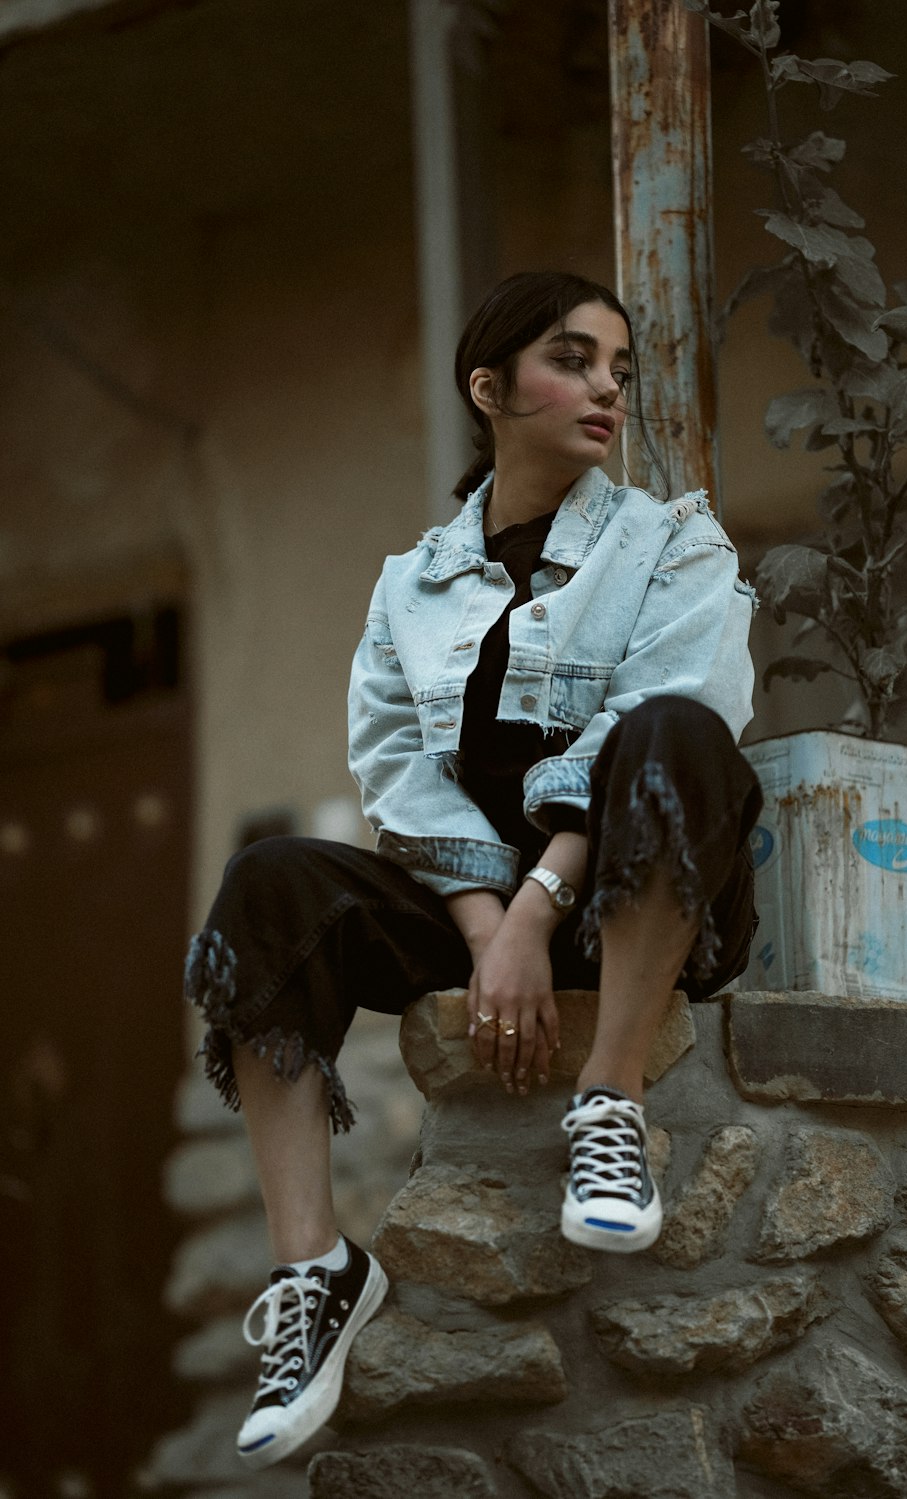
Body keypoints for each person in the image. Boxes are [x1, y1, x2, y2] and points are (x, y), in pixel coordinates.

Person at [184, 269, 762, 1470]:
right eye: (572, 358)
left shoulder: (671, 541)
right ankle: (317, 1271)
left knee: (671, 735)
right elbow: (397, 763)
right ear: (488, 388)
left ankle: (609, 1098)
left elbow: (670, 706)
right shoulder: (412, 583)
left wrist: (538, 910)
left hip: (638, 898)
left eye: (616, 365)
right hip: (481, 899)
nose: (605, 387)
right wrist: (485, 915)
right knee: (270, 880)